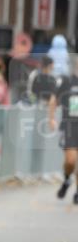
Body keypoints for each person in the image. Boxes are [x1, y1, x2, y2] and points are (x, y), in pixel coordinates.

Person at [49, 56, 78, 204]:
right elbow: (53, 99)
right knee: (70, 161)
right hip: (70, 125)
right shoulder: (67, 81)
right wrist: (51, 118)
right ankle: (67, 179)